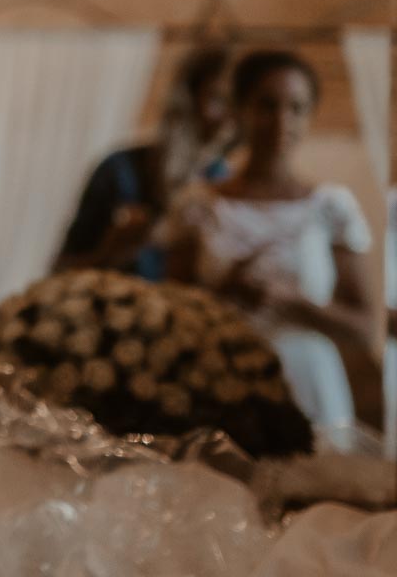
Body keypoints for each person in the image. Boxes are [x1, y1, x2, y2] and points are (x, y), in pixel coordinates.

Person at [159, 49, 376, 441]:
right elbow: (169, 316)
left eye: (296, 108)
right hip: (220, 380)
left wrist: (294, 303)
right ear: (240, 110)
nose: (281, 122)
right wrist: (222, 291)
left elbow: (363, 328)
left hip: (310, 383)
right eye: (267, 106)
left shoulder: (330, 207)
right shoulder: (199, 205)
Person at [53, 46, 233, 281]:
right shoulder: (120, 171)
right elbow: (61, 270)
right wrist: (112, 252)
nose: (227, 118)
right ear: (187, 99)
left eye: (235, 104)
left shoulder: (225, 184)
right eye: (217, 99)